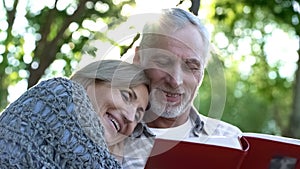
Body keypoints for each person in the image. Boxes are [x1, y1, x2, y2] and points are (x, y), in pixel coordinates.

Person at [121, 8, 243, 168]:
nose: (176, 81)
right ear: (138, 58)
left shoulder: (232, 140)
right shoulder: (109, 136)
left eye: (191, 66)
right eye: (164, 62)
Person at [0, 59, 149, 168]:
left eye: (137, 116)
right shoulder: (59, 93)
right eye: (126, 95)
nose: (130, 117)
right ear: (95, 80)